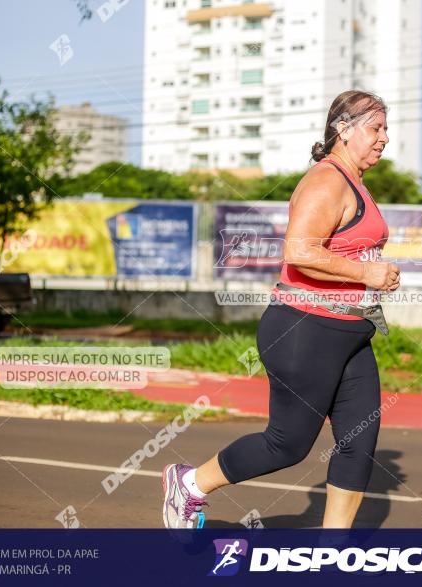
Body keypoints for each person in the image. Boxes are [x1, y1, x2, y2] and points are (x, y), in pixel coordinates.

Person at [162, 90, 400, 530]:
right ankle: (191, 484)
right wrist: (366, 274)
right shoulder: (327, 180)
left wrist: (372, 273)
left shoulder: (355, 181)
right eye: (376, 127)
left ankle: (333, 552)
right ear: (343, 130)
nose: (385, 137)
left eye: (386, 127)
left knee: (359, 441)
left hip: (351, 333)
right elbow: (299, 250)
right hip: (305, 330)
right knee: (287, 445)